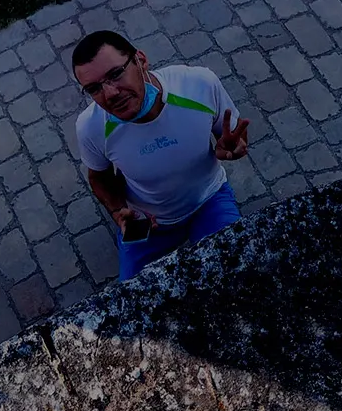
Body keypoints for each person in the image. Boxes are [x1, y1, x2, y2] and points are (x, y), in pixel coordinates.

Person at [67, 28, 252, 278]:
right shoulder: (90, 127)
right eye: (94, 88)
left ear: (140, 60)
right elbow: (99, 177)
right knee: (131, 304)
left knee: (243, 274)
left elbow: (235, 136)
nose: (110, 94)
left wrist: (234, 145)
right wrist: (117, 210)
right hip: (149, 224)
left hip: (210, 201)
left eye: (116, 74)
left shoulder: (199, 85)